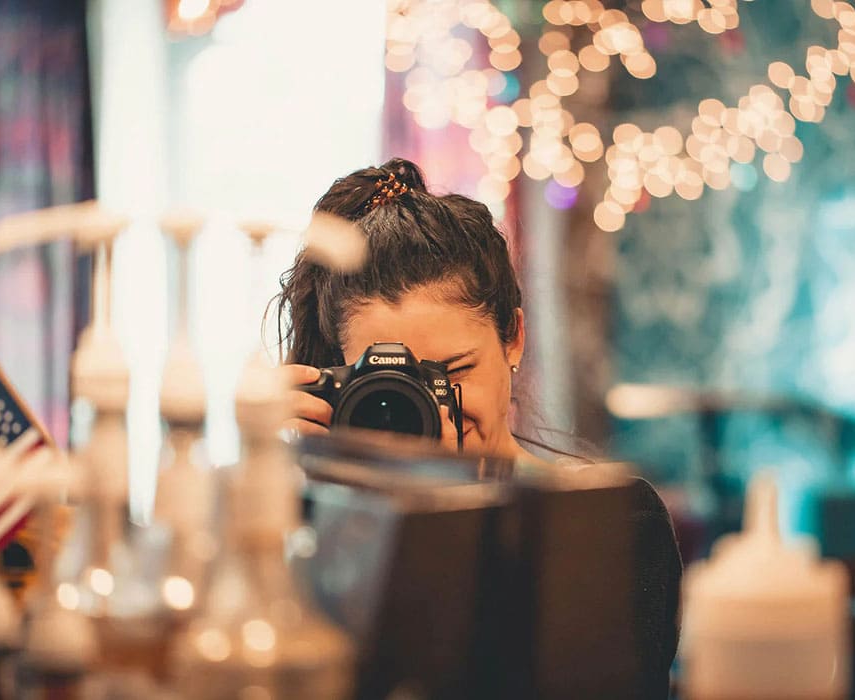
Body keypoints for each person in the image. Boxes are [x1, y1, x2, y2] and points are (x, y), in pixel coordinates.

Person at [273, 157, 681, 697]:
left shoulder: (610, 524)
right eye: (393, 386)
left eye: (455, 371)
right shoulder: (321, 532)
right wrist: (283, 492)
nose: (433, 406)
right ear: (340, 378)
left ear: (513, 338)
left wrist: (443, 512)